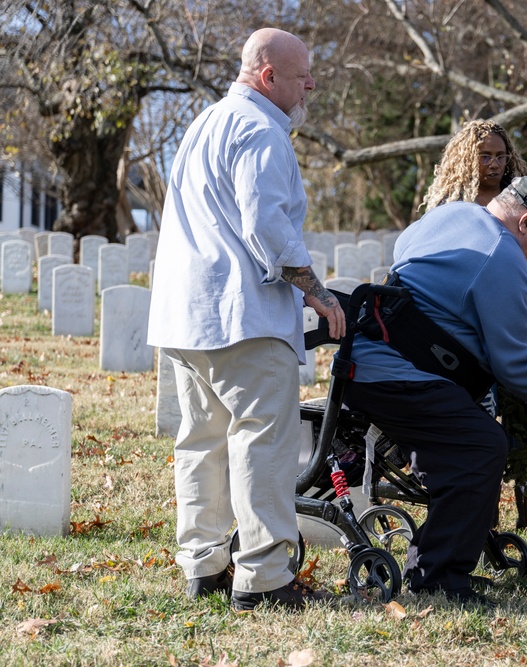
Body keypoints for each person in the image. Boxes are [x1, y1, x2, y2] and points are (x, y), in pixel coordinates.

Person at [148, 28, 346, 612]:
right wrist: (316, 292)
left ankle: (203, 565)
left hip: (188, 315)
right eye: (302, 74)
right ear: (267, 77)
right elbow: (266, 224)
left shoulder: (206, 122)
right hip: (244, 315)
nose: (310, 84)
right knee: (263, 442)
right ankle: (263, 578)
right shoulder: (262, 130)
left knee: (201, 443)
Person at [342, 175, 527, 604]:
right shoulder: (503, 255)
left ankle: (438, 556)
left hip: (365, 360)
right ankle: (437, 577)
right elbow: (515, 364)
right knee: (482, 446)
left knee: (465, 437)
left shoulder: (450, 213)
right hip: (398, 374)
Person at [423, 120, 527, 538]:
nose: (493, 163)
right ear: (467, 157)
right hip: (474, 326)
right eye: (484, 155)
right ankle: (483, 513)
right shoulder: (455, 204)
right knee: (479, 416)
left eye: (500, 155)